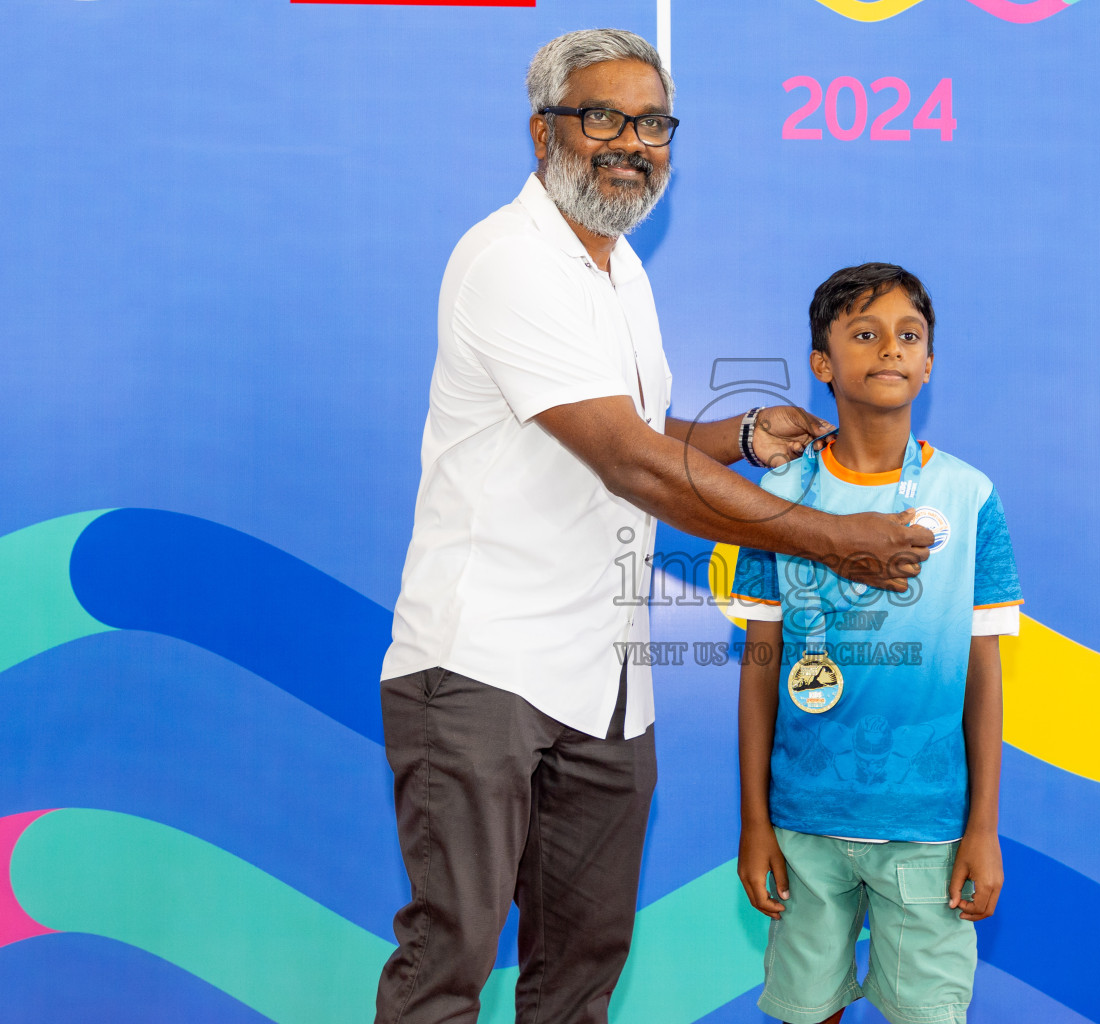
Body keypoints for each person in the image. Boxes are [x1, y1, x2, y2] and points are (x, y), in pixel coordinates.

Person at [373, 31, 936, 1024]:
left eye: (653, 123)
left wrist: (745, 436)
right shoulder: (506, 260)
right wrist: (830, 537)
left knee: (581, 971)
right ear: (544, 130)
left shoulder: (621, 270)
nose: (632, 142)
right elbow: (631, 462)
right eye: (604, 117)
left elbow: (640, 431)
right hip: (480, 667)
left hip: (607, 684)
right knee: (450, 959)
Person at [731, 263, 1023, 1024]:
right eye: (865, 333)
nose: (890, 348)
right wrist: (755, 823)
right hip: (803, 822)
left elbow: (984, 675)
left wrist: (982, 829)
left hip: (928, 828)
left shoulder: (969, 496)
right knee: (805, 1010)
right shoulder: (776, 498)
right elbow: (761, 668)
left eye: (908, 335)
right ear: (824, 365)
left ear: (929, 364)